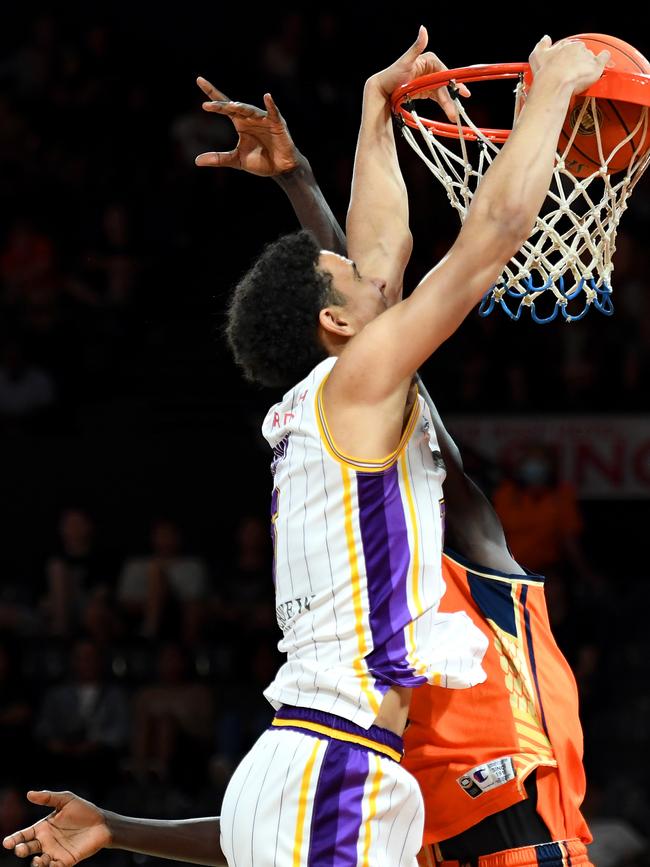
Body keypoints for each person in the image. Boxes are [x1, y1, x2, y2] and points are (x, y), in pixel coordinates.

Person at [3, 29, 607, 867]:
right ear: (338, 326)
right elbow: (486, 240)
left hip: (313, 765)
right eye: (355, 279)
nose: (375, 274)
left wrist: (372, 112)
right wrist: (553, 92)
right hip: (334, 765)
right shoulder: (358, 391)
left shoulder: (331, 414)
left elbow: (378, 263)